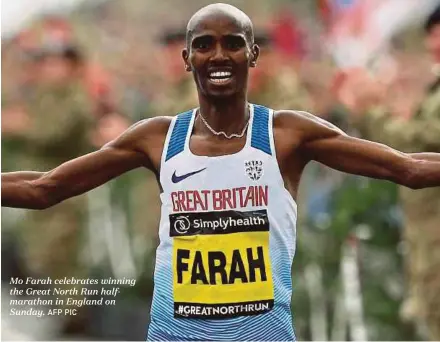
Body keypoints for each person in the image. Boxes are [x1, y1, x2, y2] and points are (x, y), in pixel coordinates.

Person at [2, 4, 440, 341]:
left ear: (253, 54)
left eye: (232, 43)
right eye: (204, 44)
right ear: (186, 57)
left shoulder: (287, 134)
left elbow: (409, 168)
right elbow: (45, 188)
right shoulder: (158, 138)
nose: (218, 55)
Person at [336, 7, 440, 339]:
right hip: (426, 236)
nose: (433, 40)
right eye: (432, 32)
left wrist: (371, 110)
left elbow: (414, 145)